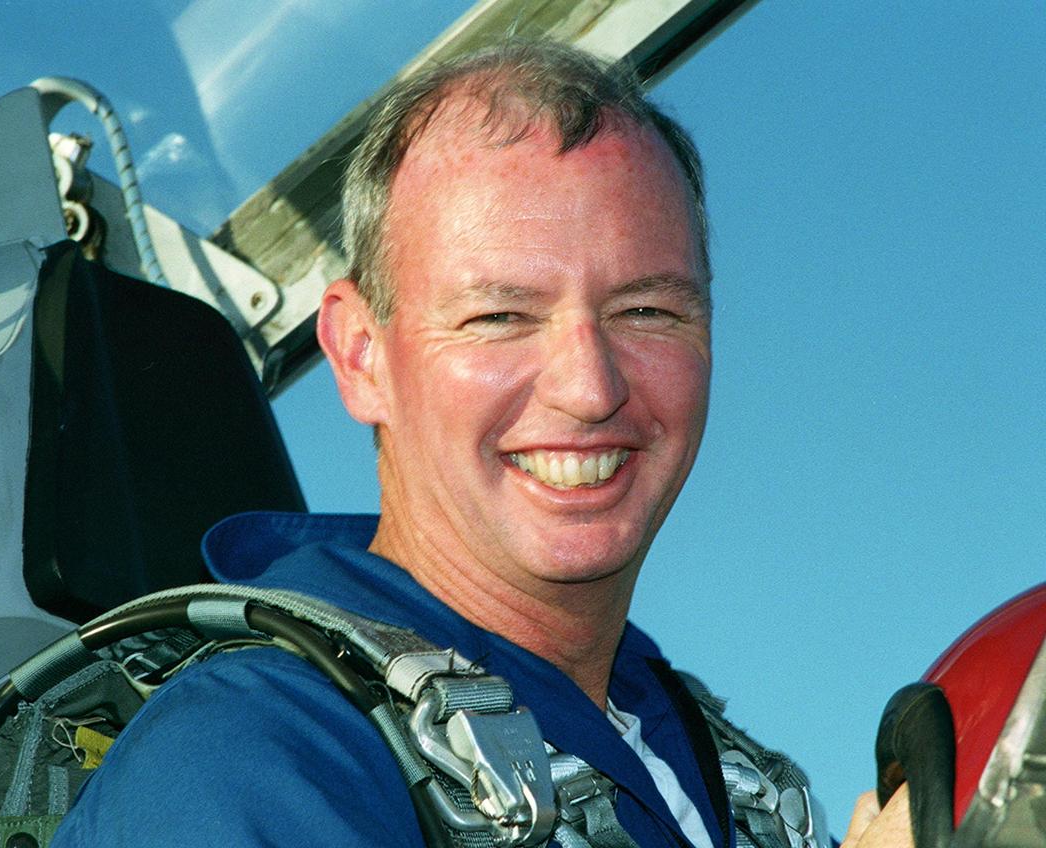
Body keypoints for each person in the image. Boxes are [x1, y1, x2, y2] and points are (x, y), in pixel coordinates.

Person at [52, 39, 911, 847]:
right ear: (360, 356)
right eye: (499, 317)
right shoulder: (248, 758)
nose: (590, 388)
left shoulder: (686, 752)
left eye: (647, 310)